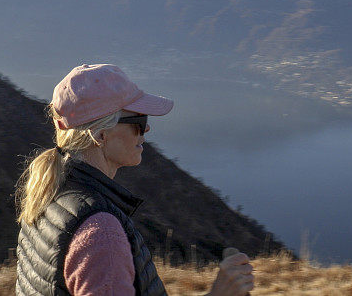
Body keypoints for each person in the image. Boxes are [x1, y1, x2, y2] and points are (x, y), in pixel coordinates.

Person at [15, 63, 255, 296]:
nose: (147, 130)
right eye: (138, 122)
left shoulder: (48, 194)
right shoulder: (101, 234)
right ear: (101, 135)